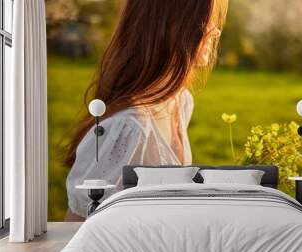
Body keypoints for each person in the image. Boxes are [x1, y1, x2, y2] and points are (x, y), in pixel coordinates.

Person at [63, 0, 228, 221]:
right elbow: (76, 227)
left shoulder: (179, 102)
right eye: (205, 22)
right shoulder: (127, 129)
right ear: (171, 26)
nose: (214, 30)